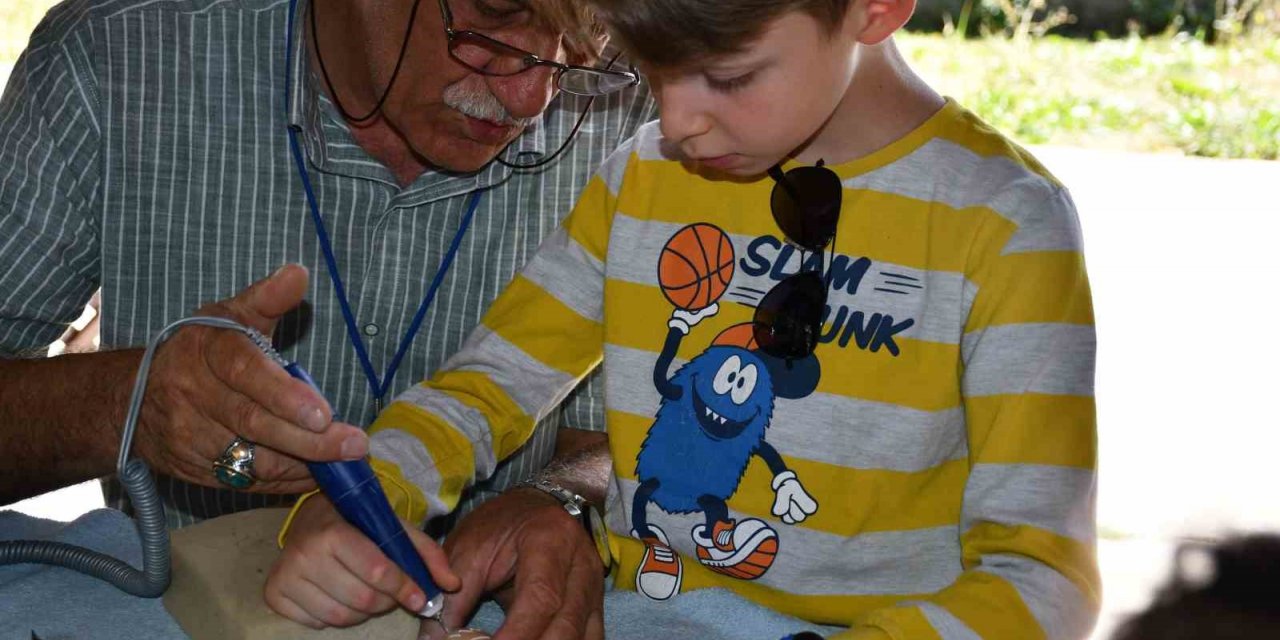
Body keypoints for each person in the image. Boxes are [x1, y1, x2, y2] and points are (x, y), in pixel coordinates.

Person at [271, 0, 1100, 637]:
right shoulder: (643, 180)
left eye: (729, 77)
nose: (675, 123)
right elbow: (487, 387)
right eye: (651, 71)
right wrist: (352, 511)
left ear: (873, 9)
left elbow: (1040, 580)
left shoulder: (1005, 224)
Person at [0, 0, 653, 635]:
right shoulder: (115, 57)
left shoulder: (658, 108)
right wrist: (128, 403)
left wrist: (560, 502)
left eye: (580, 42)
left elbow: (644, 439)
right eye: (497, 15)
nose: (533, 98)